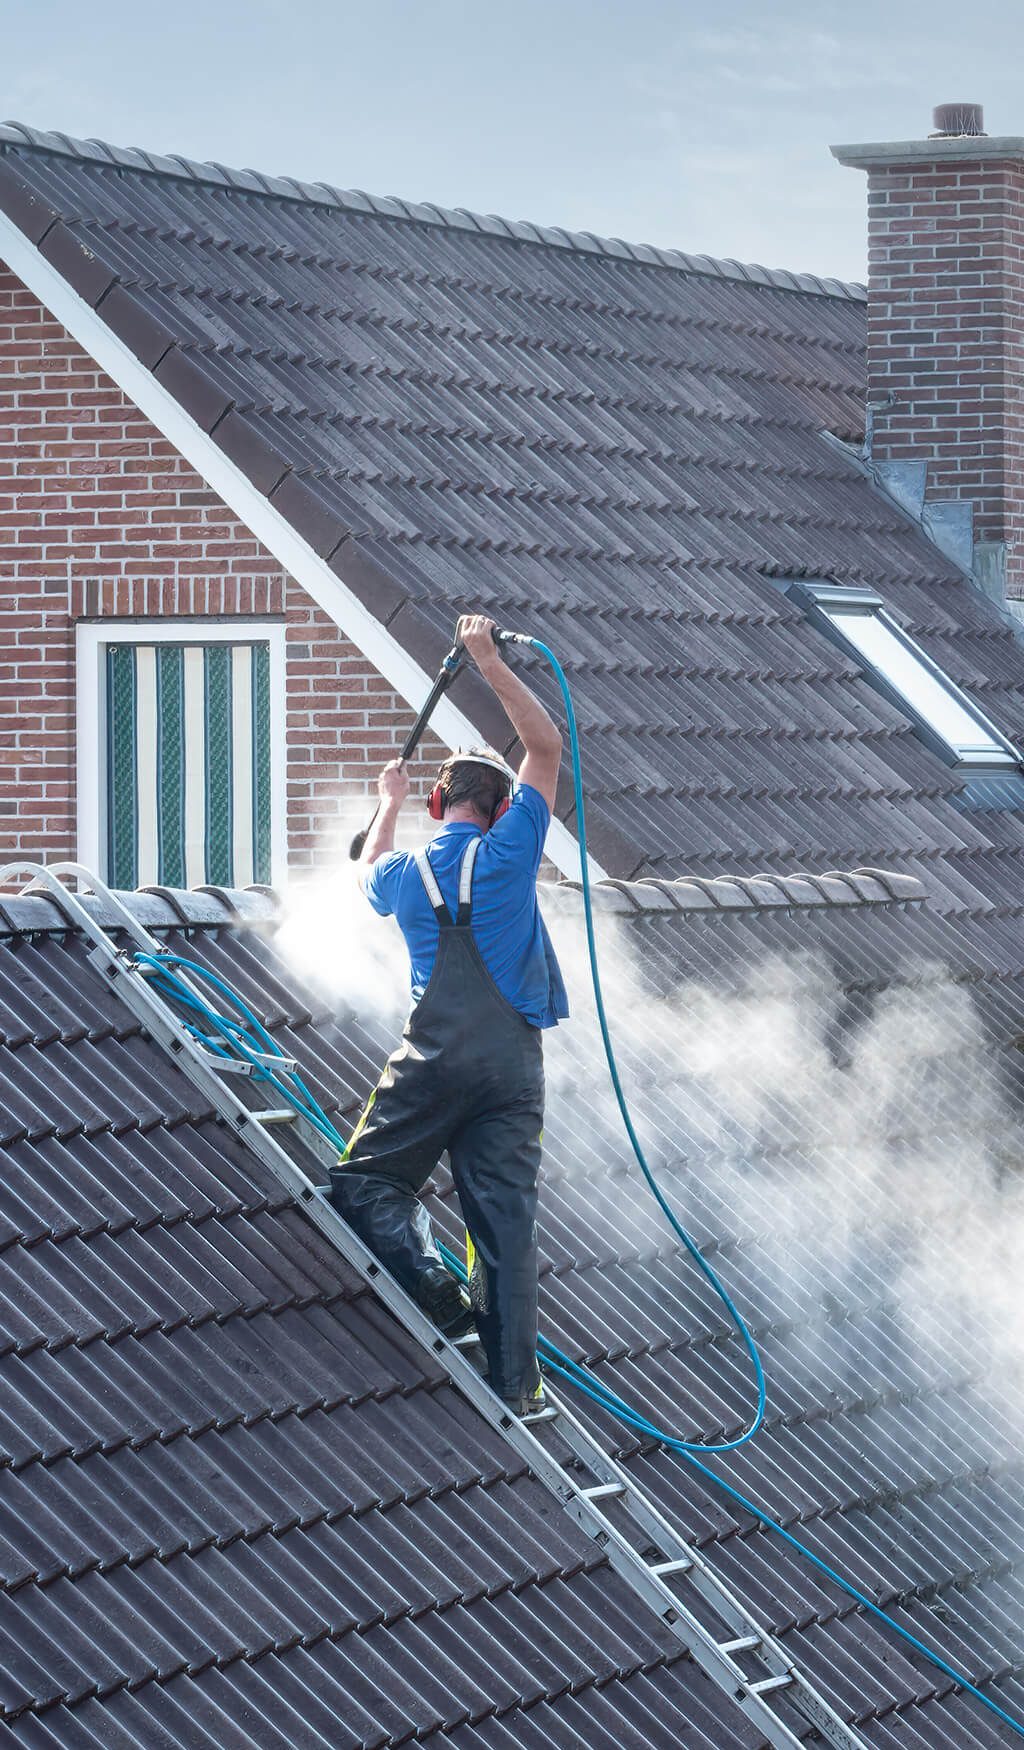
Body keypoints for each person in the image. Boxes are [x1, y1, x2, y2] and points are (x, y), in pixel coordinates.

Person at [331, 613, 568, 1417]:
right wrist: (487, 662)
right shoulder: (512, 852)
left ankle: (432, 1286)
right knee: (503, 1226)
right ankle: (517, 1388)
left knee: (366, 1183)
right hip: (511, 1069)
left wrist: (385, 802)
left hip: (431, 1061)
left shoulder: (401, 873)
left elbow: (364, 864)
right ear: (504, 811)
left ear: (440, 804)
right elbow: (545, 748)